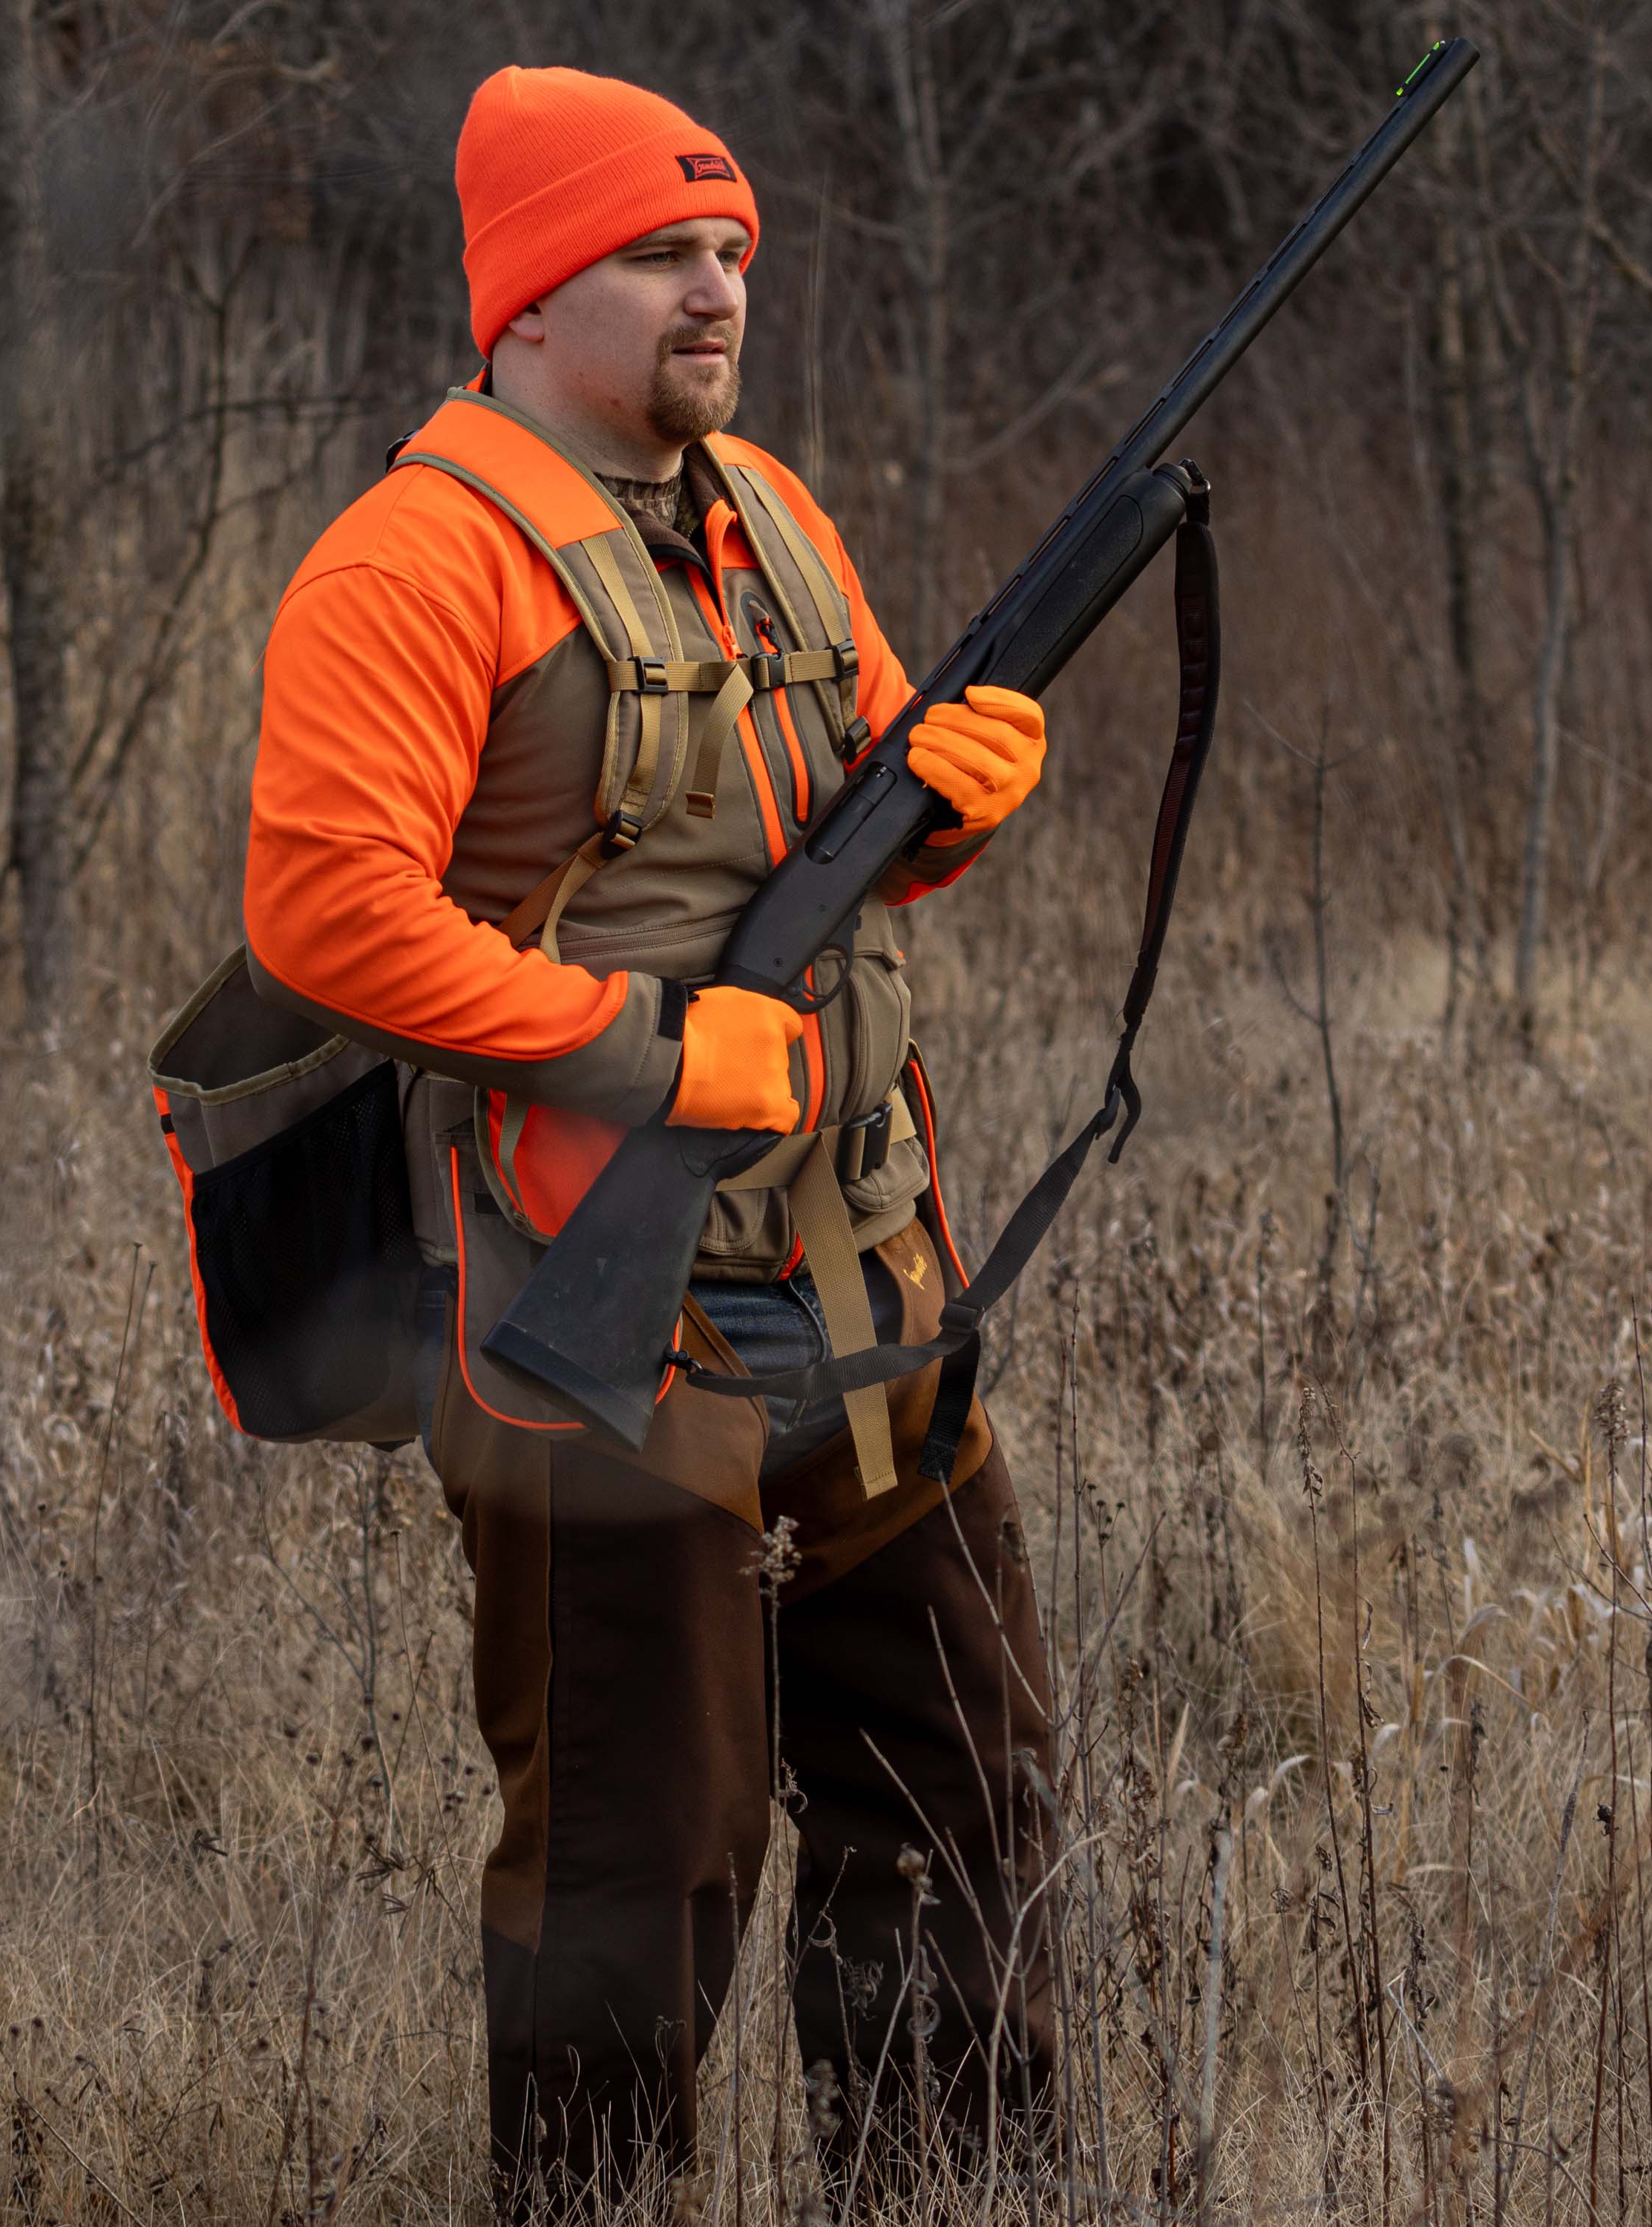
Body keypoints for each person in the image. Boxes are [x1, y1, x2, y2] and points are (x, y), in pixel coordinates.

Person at [242, 64, 1056, 2208]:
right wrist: (642, 1047)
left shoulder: (767, 512)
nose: (718, 294)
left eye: (734, 255)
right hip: (592, 1328)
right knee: (641, 1860)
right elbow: (325, 917)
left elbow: (841, 818)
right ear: (526, 296)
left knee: (961, 1792)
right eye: (664, 255)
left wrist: (946, 804)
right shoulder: (413, 562)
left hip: (872, 1289)